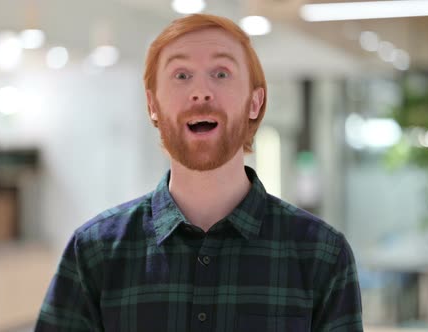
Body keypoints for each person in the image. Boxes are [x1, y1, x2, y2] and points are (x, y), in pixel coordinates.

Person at [35, 13, 363, 332]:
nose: (201, 92)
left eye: (221, 74)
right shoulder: (95, 251)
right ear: (153, 104)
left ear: (254, 101)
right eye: (181, 75)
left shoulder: (322, 254)